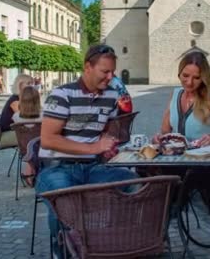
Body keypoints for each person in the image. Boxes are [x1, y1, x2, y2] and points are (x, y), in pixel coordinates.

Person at [36, 44, 138, 255]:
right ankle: (61, 250)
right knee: (64, 202)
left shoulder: (110, 96)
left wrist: (106, 145)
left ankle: (111, 243)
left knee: (134, 185)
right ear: (87, 67)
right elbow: (47, 139)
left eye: (112, 72)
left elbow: (104, 131)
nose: (110, 77)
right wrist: (92, 147)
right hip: (57, 168)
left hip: (92, 168)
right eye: (105, 71)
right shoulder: (62, 94)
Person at [151, 52, 210, 233]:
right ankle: (155, 227)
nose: (190, 82)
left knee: (170, 180)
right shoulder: (175, 95)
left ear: (204, 78)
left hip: (205, 165)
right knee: (148, 172)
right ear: (179, 73)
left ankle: (163, 220)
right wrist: (160, 138)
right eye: (185, 76)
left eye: (196, 78)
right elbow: (165, 130)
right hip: (178, 160)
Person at [12, 85, 42, 187]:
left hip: (24, 150)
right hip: (42, 149)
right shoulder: (44, 116)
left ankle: (30, 171)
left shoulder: (16, 117)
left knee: (29, 148)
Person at [0, 74, 34, 147]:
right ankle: (29, 157)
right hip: (6, 135)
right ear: (20, 85)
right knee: (37, 137)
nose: (32, 86)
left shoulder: (22, 98)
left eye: (32, 84)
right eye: (28, 83)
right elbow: (23, 119)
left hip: (15, 131)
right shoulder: (15, 100)